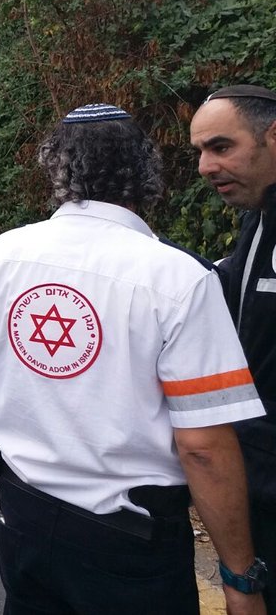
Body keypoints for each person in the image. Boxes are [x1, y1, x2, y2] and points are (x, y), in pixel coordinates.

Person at [0, 103, 267, 614]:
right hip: (129, 545)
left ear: (56, 169)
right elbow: (202, 446)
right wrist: (241, 577)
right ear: (145, 173)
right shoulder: (179, 279)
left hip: (23, 518)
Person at [191, 84, 276, 608]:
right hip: (257, 485)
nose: (205, 166)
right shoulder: (258, 216)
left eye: (221, 147)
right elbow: (234, 286)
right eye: (200, 152)